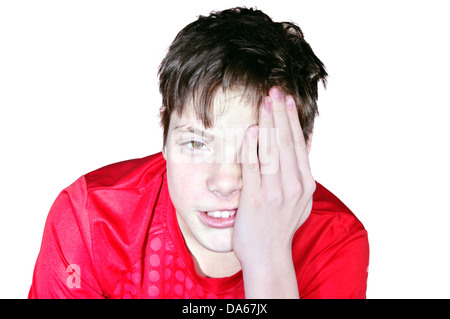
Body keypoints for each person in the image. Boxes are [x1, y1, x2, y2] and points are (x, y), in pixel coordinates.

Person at [28, 7, 369, 299]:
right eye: (196, 144)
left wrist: (267, 259)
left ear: (303, 147)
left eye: (257, 149)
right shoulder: (91, 220)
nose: (224, 182)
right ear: (164, 138)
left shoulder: (334, 242)